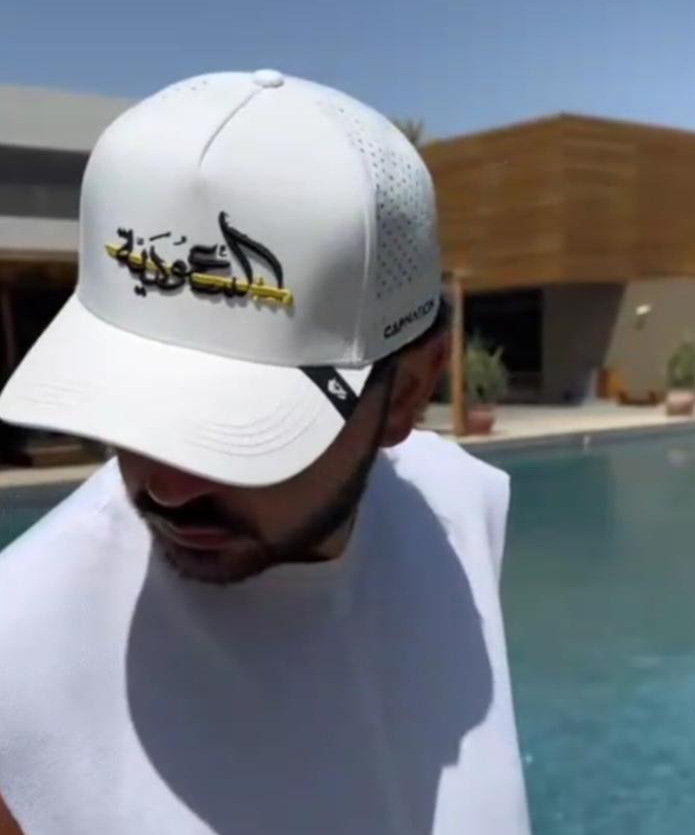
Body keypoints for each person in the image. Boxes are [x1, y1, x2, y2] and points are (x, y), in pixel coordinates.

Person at [0, 69, 531, 834]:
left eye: (233, 430)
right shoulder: (17, 664)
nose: (163, 488)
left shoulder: (467, 505)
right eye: (129, 403)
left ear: (409, 392)